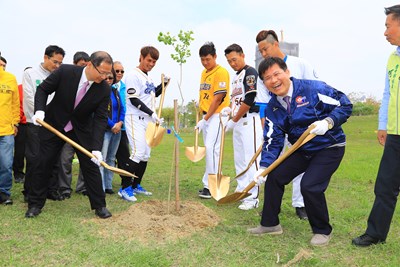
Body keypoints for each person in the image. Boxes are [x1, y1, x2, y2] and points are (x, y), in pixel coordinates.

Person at [247, 57, 352, 246]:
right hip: (302, 149)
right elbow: (273, 139)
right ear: (264, 83)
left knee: (309, 185)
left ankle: (322, 231)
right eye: (268, 78)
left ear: (287, 72)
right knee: (275, 176)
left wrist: (328, 122)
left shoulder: (313, 89)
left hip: (329, 146)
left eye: (276, 74)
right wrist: (264, 166)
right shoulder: (273, 107)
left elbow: (344, 104)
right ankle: (270, 224)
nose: (274, 80)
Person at [25, 51, 114, 219]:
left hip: (80, 129)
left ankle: (99, 206)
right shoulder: (66, 72)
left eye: (107, 74)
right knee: (43, 163)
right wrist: (39, 111)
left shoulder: (104, 89)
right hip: (54, 123)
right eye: (101, 72)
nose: (104, 77)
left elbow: (101, 119)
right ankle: (35, 204)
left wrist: (96, 148)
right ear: (89, 65)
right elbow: (43, 89)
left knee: (91, 165)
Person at [255, 29, 319, 220]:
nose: (264, 54)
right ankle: (271, 207)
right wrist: (264, 127)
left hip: (300, 125)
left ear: (276, 44)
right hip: (276, 123)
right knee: (271, 163)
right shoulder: (262, 74)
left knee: (301, 161)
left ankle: (300, 204)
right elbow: (263, 102)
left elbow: (314, 90)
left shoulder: (300, 65)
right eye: (261, 51)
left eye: (265, 49)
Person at [352, 4, 400, 247]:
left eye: (387, 26)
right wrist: (383, 125)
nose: (385, 32)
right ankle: (375, 233)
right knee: (385, 185)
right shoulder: (393, 58)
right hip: (395, 134)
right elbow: (388, 94)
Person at [117, 46, 166, 202]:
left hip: (147, 120)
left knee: (145, 155)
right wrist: (151, 113)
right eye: (149, 60)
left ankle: (136, 185)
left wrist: (163, 85)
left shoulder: (148, 78)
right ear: (141, 57)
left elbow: (151, 95)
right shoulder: (133, 75)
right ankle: (124, 188)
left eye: (154, 61)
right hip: (135, 117)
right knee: (137, 153)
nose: (151, 64)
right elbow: (133, 99)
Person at [22, 45, 66, 202]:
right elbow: (28, 98)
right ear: (45, 57)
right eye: (55, 62)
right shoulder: (30, 74)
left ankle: (51, 189)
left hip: (54, 124)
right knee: (34, 158)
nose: (57, 66)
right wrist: (42, 115)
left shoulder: (59, 76)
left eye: (60, 63)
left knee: (53, 157)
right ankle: (30, 191)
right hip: (36, 123)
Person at [223, 43, 262, 210]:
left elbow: (250, 98)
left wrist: (234, 119)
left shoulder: (250, 72)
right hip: (238, 121)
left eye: (234, 59)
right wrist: (230, 112)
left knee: (251, 160)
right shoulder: (236, 76)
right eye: (229, 61)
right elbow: (237, 100)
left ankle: (253, 197)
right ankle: (242, 189)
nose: (232, 63)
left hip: (249, 121)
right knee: (239, 159)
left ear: (242, 55)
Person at [196, 42, 230, 199]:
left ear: (215, 57)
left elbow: (217, 99)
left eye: (208, 59)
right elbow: (205, 94)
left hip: (217, 115)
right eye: (202, 59)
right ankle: (208, 183)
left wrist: (206, 118)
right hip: (207, 115)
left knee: (211, 148)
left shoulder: (221, 72)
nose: (205, 62)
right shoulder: (204, 72)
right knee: (212, 150)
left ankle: (211, 185)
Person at [58, 51, 90, 198]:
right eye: (81, 65)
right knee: (65, 160)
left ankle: (82, 187)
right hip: (67, 129)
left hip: (83, 130)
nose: (83, 68)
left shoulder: (91, 85)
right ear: (74, 64)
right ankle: (64, 188)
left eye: (86, 65)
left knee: (85, 160)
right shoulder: (68, 81)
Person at [0, 51, 20, 205]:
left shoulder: (10, 78)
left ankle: (4, 192)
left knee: (6, 164)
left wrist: (15, 122)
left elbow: (15, 103)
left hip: (6, 129)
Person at [100, 70, 125, 194]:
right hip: (105, 130)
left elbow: (122, 109)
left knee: (111, 158)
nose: (109, 80)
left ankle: (108, 185)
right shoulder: (99, 93)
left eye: (111, 78)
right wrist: (112, 125)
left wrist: (120, 123)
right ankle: (101, 187)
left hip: (117, 130)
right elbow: (101, 113)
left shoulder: (115, 92)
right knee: (102, 159)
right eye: (106, 78)